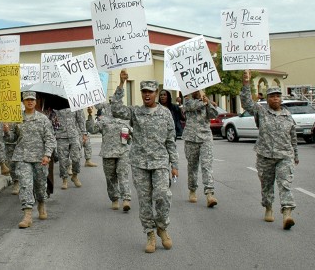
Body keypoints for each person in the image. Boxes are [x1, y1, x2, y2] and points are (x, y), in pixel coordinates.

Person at [112, 69, 179, 253]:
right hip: (140, 163)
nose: (147, 94)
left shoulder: (165, 114)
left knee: (163, 195)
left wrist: (174, 165)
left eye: (150, 91)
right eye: (144, 91)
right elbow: (116, 109)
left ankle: (162, 227)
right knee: (144, 200)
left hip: (160, 162)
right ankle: (150, 233)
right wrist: (121, 84)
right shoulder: (135, 112)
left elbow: (170, 140)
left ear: (156, 93)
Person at [241, 70, 298, 230]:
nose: (275, 99)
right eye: (272, 96)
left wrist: (296, 155)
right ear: (267, 99)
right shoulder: (261, 111)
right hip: (265, 155)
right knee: (266, 186)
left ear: (281, 98)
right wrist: (246, 83)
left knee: (285, 184)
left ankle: (287, 213)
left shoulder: (288, 115)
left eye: (278, 96)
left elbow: (293, 136)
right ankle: (268, 207)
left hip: (284, 156)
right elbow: (246, 103)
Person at [3, 91, 56, 229]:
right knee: (26, 185)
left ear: (36, 101)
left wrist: (47, 154)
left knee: (40, 186)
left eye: (32, 99)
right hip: (22, 157)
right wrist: (7, 130)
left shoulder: (43, 119)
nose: (30, 102)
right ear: (23, 102)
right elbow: (11, 139)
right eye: (27, 99)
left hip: (40, 158)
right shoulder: (17, 119)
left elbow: (50, 138)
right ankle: (27, 215)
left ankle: (42, 204)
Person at [87, 104, 132, 211]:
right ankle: (114, 199)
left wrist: (128, 136)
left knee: (123, 175)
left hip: (122, 153)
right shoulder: (103, 121)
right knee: (110, 177)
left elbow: (130, 137)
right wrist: (89, 115)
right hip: (108, 153)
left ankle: (126, 199)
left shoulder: (125, 121)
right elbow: (92, 129)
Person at [183, 90, 219, 207]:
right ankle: (192, 189)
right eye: (195, 90)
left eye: (200, 89)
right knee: (192, 166)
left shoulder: (206, 102)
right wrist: (204, 102)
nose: (197, 92)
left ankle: (209, 194)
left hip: (205, 138)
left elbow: (214, 114)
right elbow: (191, 107)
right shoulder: (188, 101)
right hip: (191, 138)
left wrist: (208, 103)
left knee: (206, 165)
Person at [51, 106, 86, 189]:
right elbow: (51, 119)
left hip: (74, 135)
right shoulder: (55, 104)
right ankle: (64, 180)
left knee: (76, 158)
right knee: (63, 160)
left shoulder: (75, 103)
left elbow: (81, 119)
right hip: (61, 136)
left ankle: (75, 176)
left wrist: (84, 133)